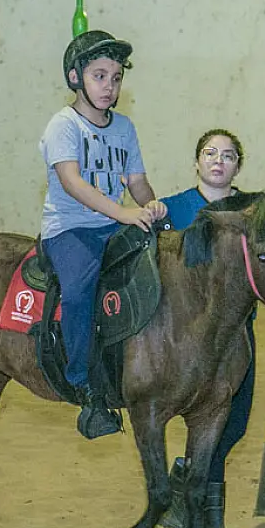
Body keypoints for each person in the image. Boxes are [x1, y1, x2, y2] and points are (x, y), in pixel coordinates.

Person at [38, 29, 168, 440]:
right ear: (75, 77)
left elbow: (137, 181)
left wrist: (151, 206)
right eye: (99, 76)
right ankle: (81, 380)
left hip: (113, 223)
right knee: (79, 291)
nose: (109, 86)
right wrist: (125, 213)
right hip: (70, 228)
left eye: (116, 78)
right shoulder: (63, 125)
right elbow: (73, 183)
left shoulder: (123, 127)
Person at [156, 129, 257, 528]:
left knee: (234, 425)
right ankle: (211, 526)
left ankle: (182, 489)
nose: (219, 161)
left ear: (238, 165)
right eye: (210, 153)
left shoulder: (253, 211)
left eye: (228, 155)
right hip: (182, 340)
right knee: (209, 425)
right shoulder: (172, 209)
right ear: (196, 161)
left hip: (236, 336)